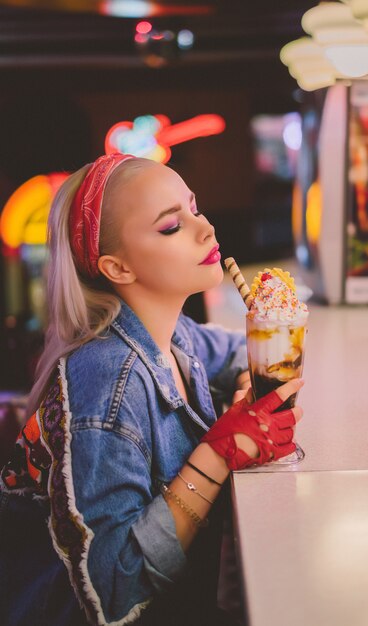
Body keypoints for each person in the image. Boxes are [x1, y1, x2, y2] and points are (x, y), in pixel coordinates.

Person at [0, 153, 303, 626]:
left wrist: (256, 379)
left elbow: (232, 353)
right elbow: (110, 590)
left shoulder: (171, 332)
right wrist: (220, 452)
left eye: (194, 207)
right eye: (170, 227)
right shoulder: (106, 379)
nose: (205, 230)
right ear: (118, 268)